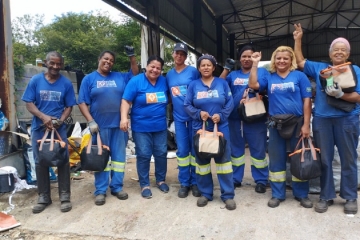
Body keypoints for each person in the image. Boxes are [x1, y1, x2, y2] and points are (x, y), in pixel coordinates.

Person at [293, 23, 360, 214]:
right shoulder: (321, 68)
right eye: (336, 49)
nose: (339, 52)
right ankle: (326, 196)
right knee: (325, 159)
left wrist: (341, 95)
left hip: (347, 119)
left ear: (348, 54)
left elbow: (359, 98)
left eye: (343, 50)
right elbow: (300, 62)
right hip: (322, 120)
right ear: (330, 54)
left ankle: (350, 197)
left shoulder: (355, 70)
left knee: (348, 159)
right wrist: (298, 40)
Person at [248, 46, 313, 208]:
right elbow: (253, 84)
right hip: (276, 124)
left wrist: (306, 124)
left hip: (297, 123)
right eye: (278, 58)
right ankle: (278, 194)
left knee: (299, 158)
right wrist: (255, 63)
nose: (282, 61)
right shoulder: (270, 78)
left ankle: (302, 194)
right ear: (274, 61)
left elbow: (307, 100)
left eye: (285, 58)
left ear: (291, 60)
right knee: (277, 160)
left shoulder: (300, 76)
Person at [78, 47, 138, 206]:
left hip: (120, 126)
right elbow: (82, 102)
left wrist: (131, 56)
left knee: (119, 159)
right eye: (105, 59)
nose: (108, 62)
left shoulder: (119, 76)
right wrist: (90, 121)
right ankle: (100, 191)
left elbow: (134, 73)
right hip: (99, 127)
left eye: (111, 61)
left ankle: (117, 187)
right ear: (99, 59)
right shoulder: (89, 79)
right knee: (100, 158)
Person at [22, 51, 77, 213]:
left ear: (62, 64)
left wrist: (60, 120)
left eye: (58, 63)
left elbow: (69, 106)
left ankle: (65, 196)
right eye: (52, 63)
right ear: (46, 63)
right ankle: (44, 197)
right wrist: (43, 117)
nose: (55, 66)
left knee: (63, 160)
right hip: (40, 129)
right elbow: (29, 103)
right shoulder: (36, 81)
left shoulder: (66, 84)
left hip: (58, 129)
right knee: (40, 161)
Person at [184, 54, 236, 210]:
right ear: (199, 68)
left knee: (224, 162)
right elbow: (187, 104)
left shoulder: (222, 84)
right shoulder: (193, 85)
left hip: (220, 127)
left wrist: (221, 116)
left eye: (209, 65)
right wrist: (199, 113)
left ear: (214, 67)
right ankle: (206, 193)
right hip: (200, 127)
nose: (205, 67)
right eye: (202, 65)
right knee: (202, 162)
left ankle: (227, 195)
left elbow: (230, 103)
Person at [219, 45, 269, 193]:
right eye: (244, 56)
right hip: (235, 119)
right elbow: (218, 85)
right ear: (239, 59)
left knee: (258, 151)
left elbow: (260, 86)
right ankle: (235, 178)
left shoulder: (263, 72)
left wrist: (255, 66)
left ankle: (260, 180)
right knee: (236, 152)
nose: (247, 59)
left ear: (255, 57)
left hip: (255, 118)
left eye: (250, 56)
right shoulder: (233, 75)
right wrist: (226, 68)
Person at [120, 55, 169, 199]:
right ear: (146, 67)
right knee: (144, 154)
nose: (155, 70)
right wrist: (124, 118)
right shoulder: (136, 81)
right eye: (152, 67)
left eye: (158, 68)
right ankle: (145, 184)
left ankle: (160, 180)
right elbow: (125, 101)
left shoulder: (164, 81)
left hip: (160, 126)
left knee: (161, 153)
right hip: (141, 127)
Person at [166, 43, 201, 198]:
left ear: (186, 56)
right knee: (182, 152)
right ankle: (184, 183)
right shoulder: (169, 75)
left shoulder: (193, 72)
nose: (179, 56)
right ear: (172, 54)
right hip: (179, 118)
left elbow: (201, 89)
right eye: (177, 53)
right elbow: (167, 96)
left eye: (183, 54)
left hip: (194, 117)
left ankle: (195, 182)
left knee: (195, 151)